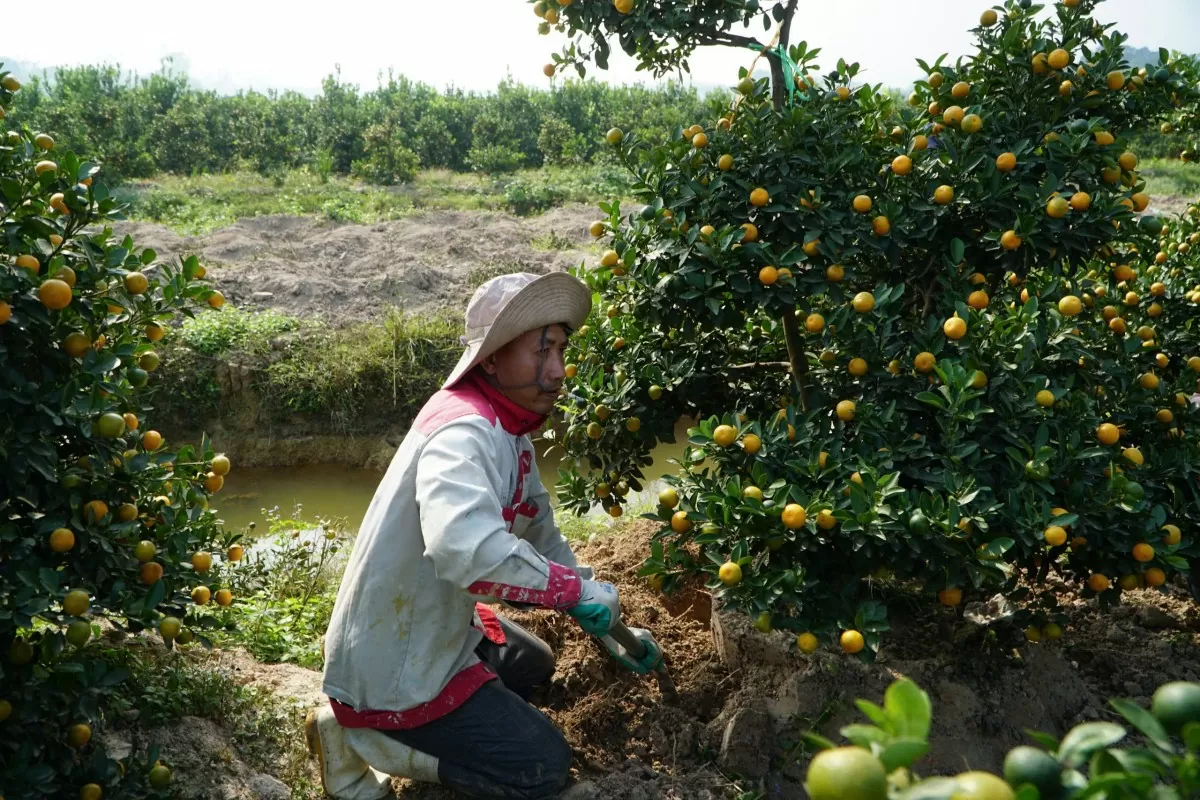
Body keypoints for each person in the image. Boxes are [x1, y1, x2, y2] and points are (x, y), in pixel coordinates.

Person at [305, 271, 664, 800]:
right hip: (397, 657)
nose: (558, 371)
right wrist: (571, 592)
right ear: (491, 359)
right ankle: (367, 737)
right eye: (541, 352)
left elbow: (539, 529)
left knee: (533, 663)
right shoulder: (463, 432)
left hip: (434, 625)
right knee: (542, 767)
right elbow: (464, 548)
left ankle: (390, 726)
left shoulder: (507, 430)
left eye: (561, 351)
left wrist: (598, 609)